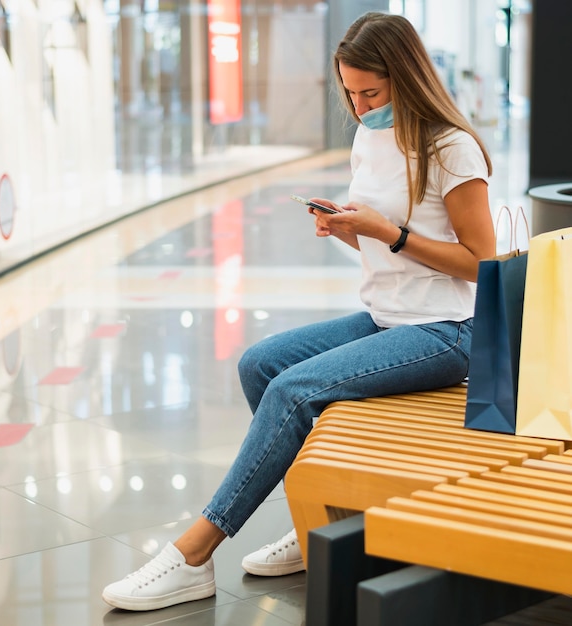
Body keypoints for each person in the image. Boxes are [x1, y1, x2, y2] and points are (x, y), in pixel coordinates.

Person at [102, 11, 495, 612]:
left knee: (292, 390)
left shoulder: (449, 146)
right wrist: (346, 228)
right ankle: (318, 523)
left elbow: (482, 264)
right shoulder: (370, 136)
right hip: (387, 316)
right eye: (350, 91)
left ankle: (195, 552)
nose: (360, 105)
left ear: (407, 79)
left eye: (372, 92)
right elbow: (385, 245)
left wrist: (388, 233)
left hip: (449, 330)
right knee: (260, 364)